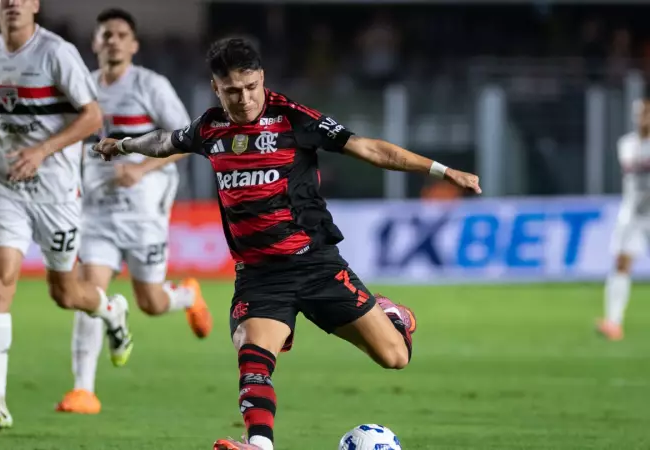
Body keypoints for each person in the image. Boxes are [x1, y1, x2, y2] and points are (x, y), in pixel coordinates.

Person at [94, 37, 482, 450]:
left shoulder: (293, 119)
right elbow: (165, 141)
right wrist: (122, 145)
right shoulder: (210, 128)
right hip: (260, 277)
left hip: (315, 264)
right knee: (253, 354)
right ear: (215, 88)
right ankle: (259, 444)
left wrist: (441, 170)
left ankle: (392, 315)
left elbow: (367, 147)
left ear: (261, 79)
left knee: (394, 357)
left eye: (250, 88)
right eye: (231, 92)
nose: (243, 99)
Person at [0, 0, 130, 429]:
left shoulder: (56, 52)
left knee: (65, 293)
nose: (13, 2)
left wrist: (42, 150)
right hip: (4, 184)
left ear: (35, 5)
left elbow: (92, 117)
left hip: (55, 190)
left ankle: (110, 311)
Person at [55, 8, 213, 415]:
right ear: (95, 43)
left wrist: (141, 167)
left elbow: (185, 139)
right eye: (105, 34)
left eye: (121, 34)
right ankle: (83, 390)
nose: (113, 40)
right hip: (97, 210)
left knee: (151, 303)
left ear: (134, 44)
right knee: (90, 290)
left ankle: (186, 295)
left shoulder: (150, 85)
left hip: (144, 209)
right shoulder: (82, 89)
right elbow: (70, 142)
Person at [598, 98, 650, 341]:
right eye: (641, 114)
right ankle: (613, 322)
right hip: (633, 214)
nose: (644, 118)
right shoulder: (627, 144)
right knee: (621, 263)